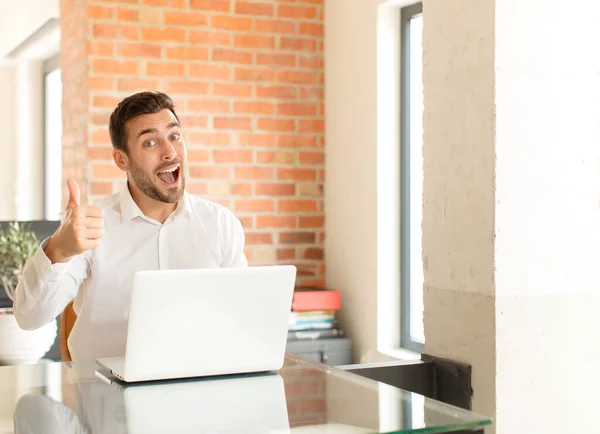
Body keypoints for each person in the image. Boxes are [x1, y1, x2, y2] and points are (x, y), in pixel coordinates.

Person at [13, 91, 248, 361]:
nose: (170, 152)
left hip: (199, 387)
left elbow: (239, 318)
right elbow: (28, 318)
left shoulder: (220, 224)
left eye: (174, 136)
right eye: (150, 142)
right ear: (121, 160)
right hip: (105, 394)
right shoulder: (92, 226)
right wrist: (59, 251)